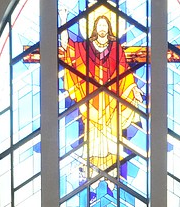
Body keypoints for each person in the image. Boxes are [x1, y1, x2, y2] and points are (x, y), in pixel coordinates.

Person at [59, 11, 144, 172]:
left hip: (112, 97)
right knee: (93, 129)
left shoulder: (116, 49)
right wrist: (63, 20)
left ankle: (113, 168)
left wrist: (133, 88)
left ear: (110, 27)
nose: (102, 28)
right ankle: (92, 166)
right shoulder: (85, 48)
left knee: (112, 130)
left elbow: (124, 71)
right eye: (99, 25)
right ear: (94, 28)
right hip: (91, 96)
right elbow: (67, 46)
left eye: (105, 25)